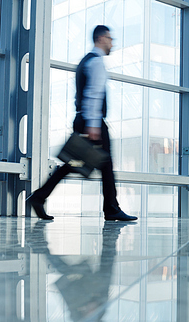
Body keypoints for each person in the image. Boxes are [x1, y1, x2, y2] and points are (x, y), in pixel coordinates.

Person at [27, 25, 137, 222]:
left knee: (74, 163)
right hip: (91, 121)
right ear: (101, 38)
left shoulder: (86, 61)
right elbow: (92, 95)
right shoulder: (96, 63)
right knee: (103, 163)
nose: (112, 43)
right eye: (110, 39)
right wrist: (93, 125)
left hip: (83, 119)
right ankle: (111, 209)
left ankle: (39, 197)